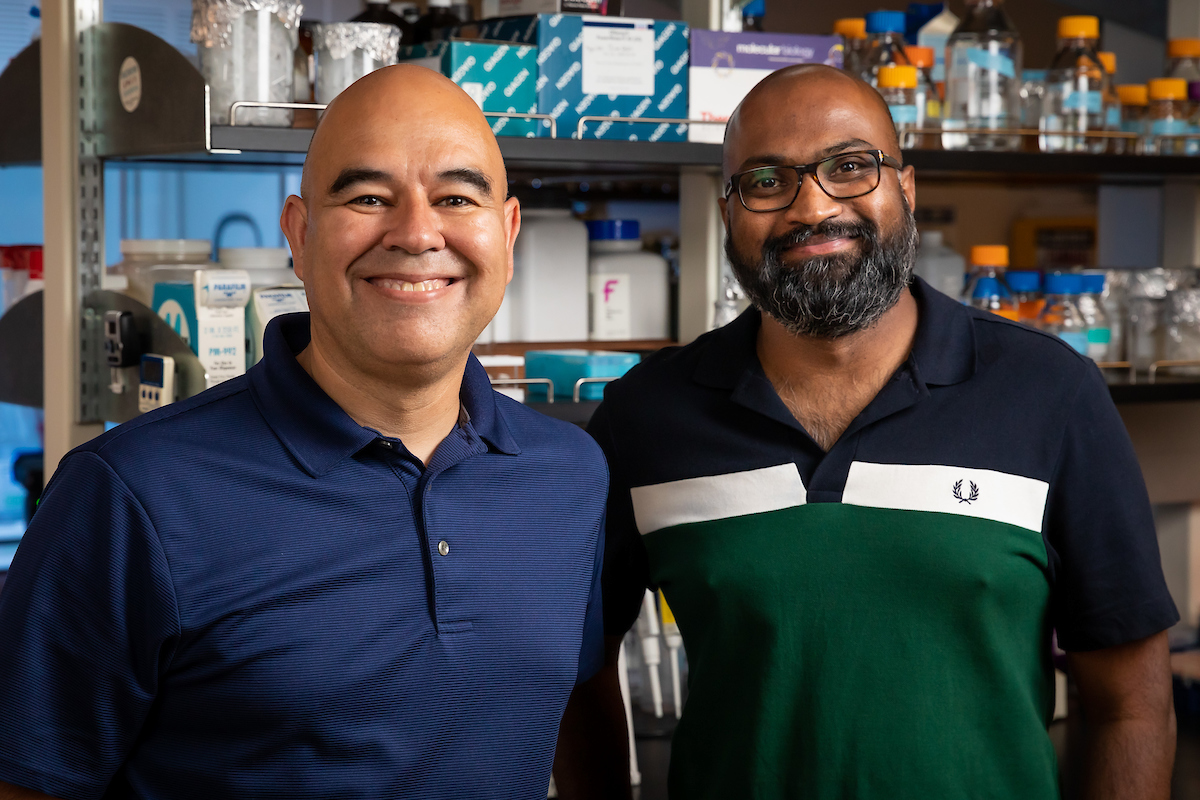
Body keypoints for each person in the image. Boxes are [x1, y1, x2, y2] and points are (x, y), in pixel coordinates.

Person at [559, 64, 1178, 799]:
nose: (811, 207)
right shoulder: (648, 418)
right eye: (766, 180)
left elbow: (1131, 705)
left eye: (850, 166)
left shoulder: (1050, 394)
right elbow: (574, 671)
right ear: (727, 211)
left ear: (906, 189)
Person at [0, 65, 608, 799]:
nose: (417, 233)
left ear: (506, 233)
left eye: (455, 197)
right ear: (298, 231)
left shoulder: (569, 474)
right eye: (368, 197)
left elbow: (559, 712)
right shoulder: (134, 494)